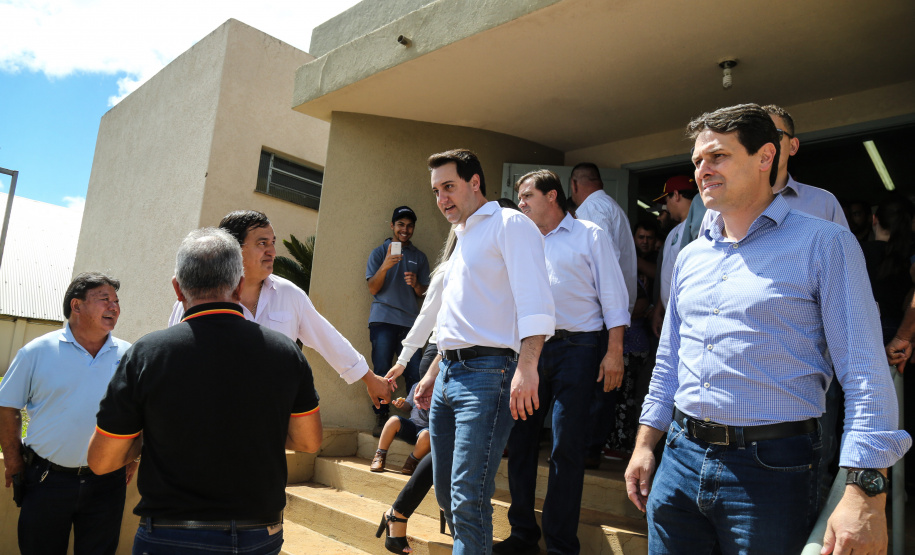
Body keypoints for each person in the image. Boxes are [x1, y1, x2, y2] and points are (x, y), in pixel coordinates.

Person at [625, 103, 911, 554]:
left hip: (772, 471)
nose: (703, 169)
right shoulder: (691, 256)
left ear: (765, 157)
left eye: (717, 156)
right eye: (698, 160)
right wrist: (646, 443)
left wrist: (864, 490)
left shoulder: (824, 244)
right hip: (678, 460)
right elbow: (670, 358)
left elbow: (863, 373)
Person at [88, 227, 323, 554]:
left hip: (169, 536)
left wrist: (151, 437)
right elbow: (309, 441)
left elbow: (101, 461)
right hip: (258, 534)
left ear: (177, 288)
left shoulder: (146, 354)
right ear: (240, 286)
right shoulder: (284, 352)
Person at [412, 148, 555, 555]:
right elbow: (460, 321)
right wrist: (432, 372)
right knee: (446, 494)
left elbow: (537, 303)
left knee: (467, 495)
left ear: (475, 183)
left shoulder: (511, 224)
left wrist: (528, 368)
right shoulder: (462, 236)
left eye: (450, 187)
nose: (442, 199)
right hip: (448, 378)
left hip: (489, 376)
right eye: (437, 190)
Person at [494, 170, 628, 555]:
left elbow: (614, 297)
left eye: (526, 196)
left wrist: (614, 351)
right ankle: (522, 535)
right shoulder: (523, 242)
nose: (520, 203)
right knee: (520, 443)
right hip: (529, 353)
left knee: (566, 448)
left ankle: (560, 545)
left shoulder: (591, 235)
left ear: (552, 196)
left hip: (579, 349)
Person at [168, 211, 391, 410]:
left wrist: (370, 379)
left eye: (273, 243)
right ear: (233, 249)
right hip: (210, 413)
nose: (272, 251)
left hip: (268, 418)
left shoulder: (289, 295)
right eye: (262, 243)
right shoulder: (199, 298)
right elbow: (173, 353)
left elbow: (327, 337)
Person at [0, 272, 132, 555]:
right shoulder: (36, 352)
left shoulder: (129, 355)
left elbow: (140, 411)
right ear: (77, 306)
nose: (114, 307)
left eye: (117, 301)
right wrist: (13, 460)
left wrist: (132, 455)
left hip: (107, 484)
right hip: (47, 481)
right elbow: (7, 406)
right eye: (104, 299)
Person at [366, 206, 431, 434]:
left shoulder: (419, 257)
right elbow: (373, 288)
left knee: (415, 373)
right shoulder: (379, 252)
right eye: (401, 224)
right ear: (392, 226)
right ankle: (382, 417)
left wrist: (417, 285)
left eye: (410, 225)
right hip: (382, 319)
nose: (405, 229)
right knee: (382, 369)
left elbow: (426, 294)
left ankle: (415, 421)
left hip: (411, 324)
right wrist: (385, 265)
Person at [570, 162, 637, 313]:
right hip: (614, 309)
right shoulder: (610, 206)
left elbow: (604, 259)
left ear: (574, 185)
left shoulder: (592, 208)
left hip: (603, 311)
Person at [650, 176, 697, 337]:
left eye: (666, 200)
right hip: (671, 316)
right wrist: (658, 309)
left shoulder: (697, 226)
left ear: (676, 195)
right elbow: (667, 274)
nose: (666, 207)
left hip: (688, 316)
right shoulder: (673, 232)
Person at [370, 382, 430, 476]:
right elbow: (409, 406)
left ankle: (411, 462)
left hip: (428, 430)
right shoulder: (416, 386)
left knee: (427, 435)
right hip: (413, 426)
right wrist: (402, 404)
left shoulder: (442, 388)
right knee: (393, 420)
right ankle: (380, 455)